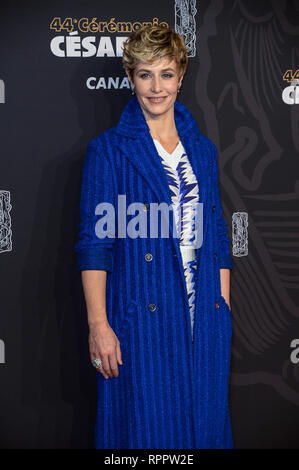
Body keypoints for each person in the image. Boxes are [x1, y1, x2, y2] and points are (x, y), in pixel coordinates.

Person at [75, 25, 234, 449]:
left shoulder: (202, 151)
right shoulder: (108, 151)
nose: (156, 87)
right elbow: (95, 244)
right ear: (131, 79)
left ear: (181, 77)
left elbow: (216, 231)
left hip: (202, 317)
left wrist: (223, 307)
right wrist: (98, 326)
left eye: (165, 74)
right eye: (145, 74)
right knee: (145, 433)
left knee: (204, 429)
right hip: (140, 318)